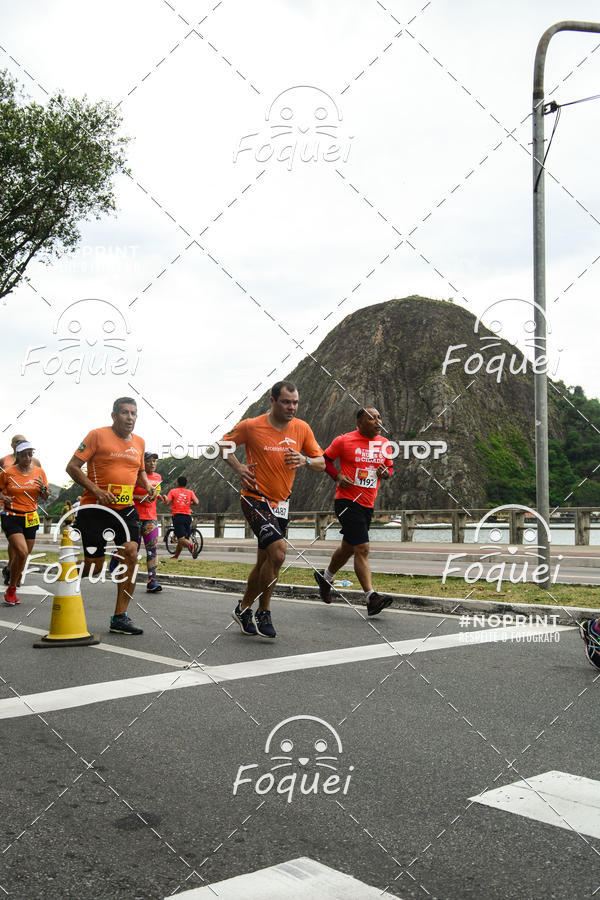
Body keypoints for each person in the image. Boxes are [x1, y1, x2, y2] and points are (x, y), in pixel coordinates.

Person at [221, 381, 324, 639]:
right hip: (254, 499)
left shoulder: (302, 428)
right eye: (287, 402)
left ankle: (244, 608)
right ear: (272, 400)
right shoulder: (251, 425)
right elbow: (223, 446)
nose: (292, 407)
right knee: (278, 553)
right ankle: (263, 610)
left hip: (281, 505)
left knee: (266, 561)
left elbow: (322, 462)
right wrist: (239, 468)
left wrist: (306, 460)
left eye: (295, 402)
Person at [65, 397, 157, 635]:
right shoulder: (97, 435)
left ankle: (120, 617)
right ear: (114, 415)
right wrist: (96, 490)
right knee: (95, 568)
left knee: (131, 553)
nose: (130, 418)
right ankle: (69, 572)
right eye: (125, 413)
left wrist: (146, 485)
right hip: (95, 508)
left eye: (134, 413)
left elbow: (139, 471)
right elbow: (72, 467)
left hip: (125, 509)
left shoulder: (139, 442)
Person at [314, 407, 394, 617]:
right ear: (359, 423)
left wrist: (385, 473)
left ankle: (325, 577)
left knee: (348, 548)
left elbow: (389, 469)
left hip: (368, 503)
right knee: (362, 548)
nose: (378, 421)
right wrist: (338, 476)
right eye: (372, 418)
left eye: (379, 417)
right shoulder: (344, 441)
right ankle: (371, 597)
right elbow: (325, 460)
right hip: (347, 501)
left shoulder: (384, 444)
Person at [109, 452, 167, 591]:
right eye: (149, 461)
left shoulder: (158, 477)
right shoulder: (134, 476)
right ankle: (116, 557)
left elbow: (155, 493)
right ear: (142, 463)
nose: (152, 463)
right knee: (132, 550)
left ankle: (152, 581)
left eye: (154, 461)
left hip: (151, 518)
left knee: (152, 549)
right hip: (133, 517)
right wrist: (140, 496)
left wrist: (161, 497)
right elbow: (125, 494)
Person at [0, 442, 49, 605]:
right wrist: (2, 498)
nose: (28, 458)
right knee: (21, 552)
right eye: (24, 454)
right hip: (11, 516)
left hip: (30, 518)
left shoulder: (39, 472)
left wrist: (44, 490)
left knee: (24, 555)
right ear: (17, 455)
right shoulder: (7, 473)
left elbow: (45, 496)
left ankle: (11, 580)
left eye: (30, 454)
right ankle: (12, 589)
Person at [166, 476, 200, 560]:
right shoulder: (190, 492)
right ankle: (176, 556)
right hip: (188, 517)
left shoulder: (173, 491)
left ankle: (191, 546)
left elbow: (167, 502)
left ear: (177, 483)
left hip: (178, 516)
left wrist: (163, 497)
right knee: (182, 538)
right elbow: (196, 502)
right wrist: (187, 503)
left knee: (181, 539)